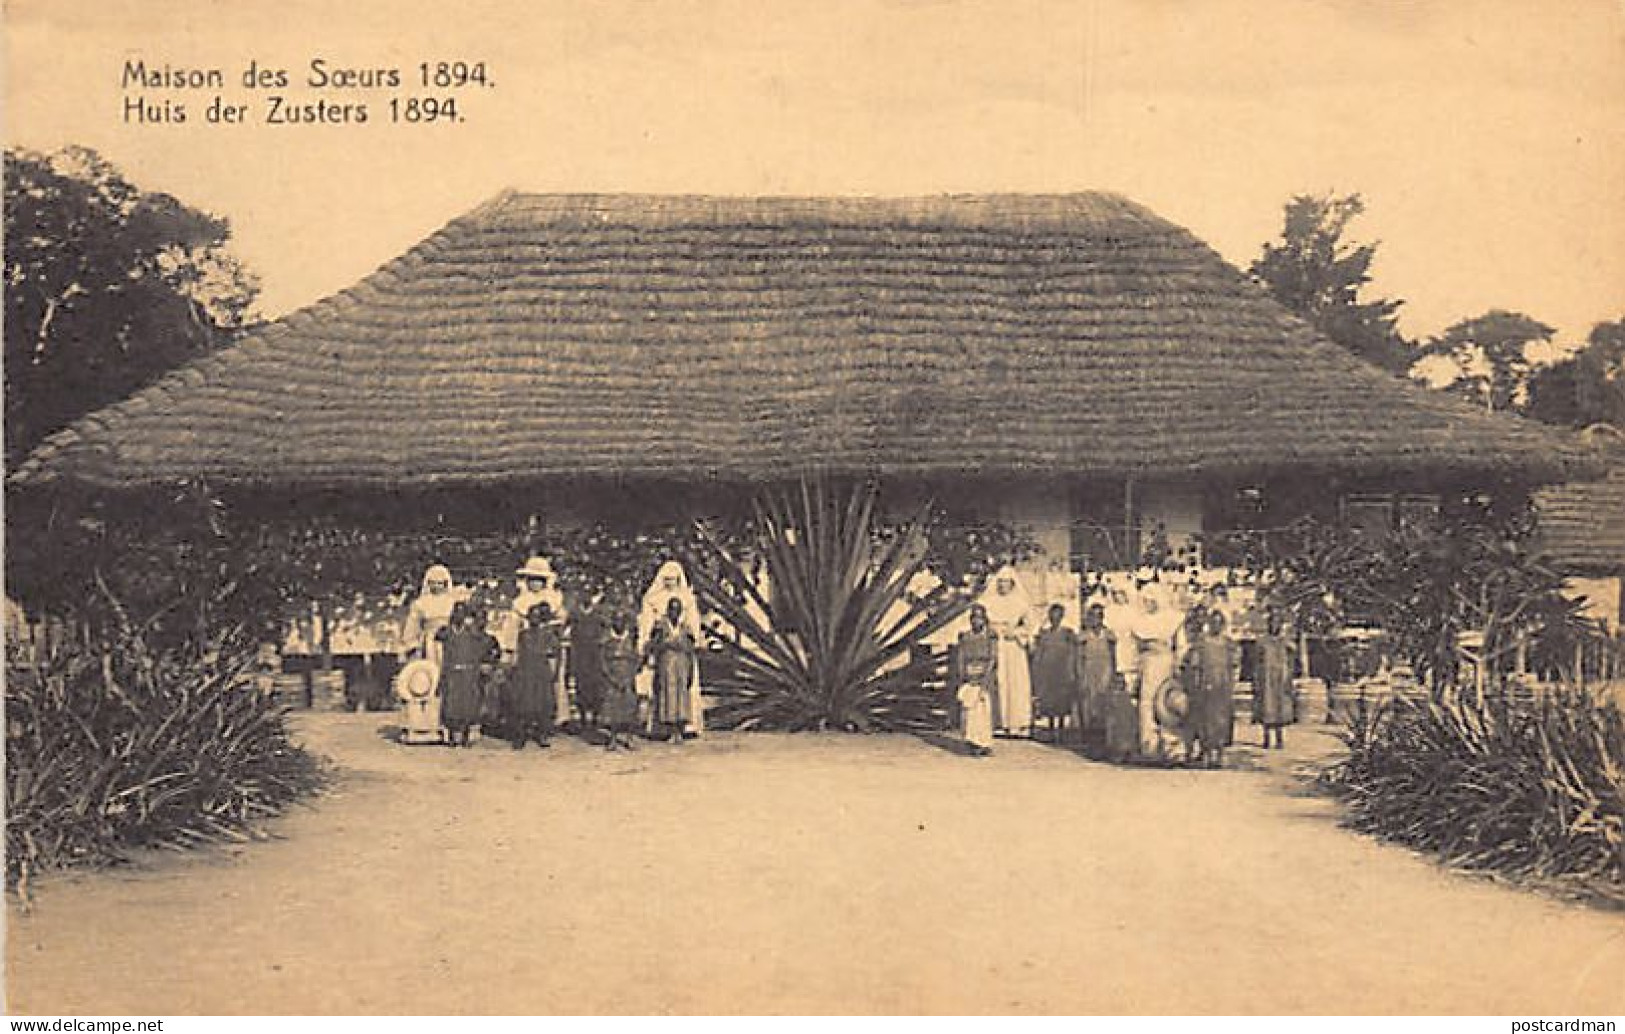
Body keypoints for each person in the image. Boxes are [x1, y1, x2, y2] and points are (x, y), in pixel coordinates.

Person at [638, 561, 705, 736]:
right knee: (661, 686)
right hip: (662, 648)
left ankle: (686, 725)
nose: (669, 583)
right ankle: (661, 726)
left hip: (682, 649)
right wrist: (647, 643)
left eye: (673, 580)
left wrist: (692, 641)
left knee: (683, 686)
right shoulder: (653, 598)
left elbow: (693, 625)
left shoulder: (687, 599)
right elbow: (647, 624)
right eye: (666, 579)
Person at [510, 556, 570, 727]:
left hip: (548, 645)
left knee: (551, 681)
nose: (535, 584)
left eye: (539, 580)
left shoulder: (554, 599)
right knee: (525, 684)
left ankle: (549, 719)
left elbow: (563, 620)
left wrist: (550, 626)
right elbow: (514, 626)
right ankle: (525, 720)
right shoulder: (520, 602)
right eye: (532, 580)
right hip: (527, 646)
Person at [1129, 581, 1186, 761]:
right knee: (1146, 704)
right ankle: (1150, 747)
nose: (1148, 604)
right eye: (1145, 601)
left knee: (1168, 705)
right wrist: (1133, 670)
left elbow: (1181, 646)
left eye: (1151, 601)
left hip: (1166, 664)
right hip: (1147, 666)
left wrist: (1178, 664)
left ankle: (1172, 748)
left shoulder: (1173, 620)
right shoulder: (1141, 622)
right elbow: (1134, 649)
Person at [979, 566, 1034, 737]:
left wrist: (1017, 633)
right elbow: (980, 623)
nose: (1003, 586)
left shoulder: (1021, 604)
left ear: (1012, 584)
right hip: (994, 645)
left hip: (1013, 648)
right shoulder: (989, 603)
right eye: (1000, 582)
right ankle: (996, 723)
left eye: (1006, 583)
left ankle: (1016, 724)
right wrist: (991, 631)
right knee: (996, 682)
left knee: (1015, 683)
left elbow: (1031, 627)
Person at [438, 601, 499, 748]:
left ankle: (465, 734)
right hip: (451, 671)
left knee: (468, 703)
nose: (459, 616)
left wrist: (486, 664)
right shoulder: (445, 632)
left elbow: (487, 648)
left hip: (469, 671)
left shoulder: (473, 634)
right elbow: (438, 649)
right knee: (450, 702)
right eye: (456, 612)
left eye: (462, 613)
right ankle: (452, 734)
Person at [504, 602, 561, 750]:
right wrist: (513, 668)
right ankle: (520, 736)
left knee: (543, 704)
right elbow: (517, 653)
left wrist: (552, 675)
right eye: (531, 617)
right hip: (525, 671)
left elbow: (553, 656)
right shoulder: (523, 635)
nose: (534, 619)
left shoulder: (548, 635)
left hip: (541, 672)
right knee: (523, 704)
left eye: (537, 617)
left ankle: (542, 735)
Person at [1186, 609, 1238, 768]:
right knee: (1205, 720)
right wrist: (1197, 684)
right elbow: (1194, 665)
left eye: (1219, 623)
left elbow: (1234, 665)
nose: (1216, 626)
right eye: (1213, 622)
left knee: (1222, 720)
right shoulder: (1201, 642)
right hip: (1205, 685)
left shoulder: (1229, 644)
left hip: (1223, 686)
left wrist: (1231, 684)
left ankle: (1220, 753)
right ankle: (1207, 754)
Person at [647, 596, 699, 742]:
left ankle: (680, 730)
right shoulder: (661, 626)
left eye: (677, 610)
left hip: (682, 664)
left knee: (682, 695)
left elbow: (690, 651)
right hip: (666, 664)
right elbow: (654, 646)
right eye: (672, 609)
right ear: (668, 611)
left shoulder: (685, 628)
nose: (674, 613)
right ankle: (669, 730)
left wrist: (691, 670)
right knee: (667, 695)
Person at [1029, 602, 1080, 742]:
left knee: (1062, 701)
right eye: (1052, 615)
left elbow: (1074, 650)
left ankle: (1061, 729)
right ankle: (1051, 730)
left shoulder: (1067, 633)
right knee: (1049, 701)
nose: (1054, 618)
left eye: (1057, 615)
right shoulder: (1044, 633)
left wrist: (1073, 669)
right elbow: (1038, 652)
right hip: (1048, 670)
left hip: (1063, 669)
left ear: (1062, 616)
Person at [952, 604, 998, 755]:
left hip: (984, 676)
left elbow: (992, 658)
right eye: (973, 618)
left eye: (979, 618)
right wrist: (964, 675)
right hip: (969, 675)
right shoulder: (965, 637)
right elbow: (961, 657)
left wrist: (985, 676)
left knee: (983, 710)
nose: (976, 621)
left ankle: (984, 742)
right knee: (970, 710)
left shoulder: (990, 636)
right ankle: (972, 742)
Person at [599, 607, 641, 752]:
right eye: (616, 620)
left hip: (628, 678)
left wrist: (631, 676)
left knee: (630, 708)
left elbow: (636, 659)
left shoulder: (631, 640)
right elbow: (602, 661)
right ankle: (612, 738)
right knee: (613, 710)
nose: (619, 624)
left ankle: (630, 738)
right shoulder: (607, 640)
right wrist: (611, 678)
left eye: (622, 620)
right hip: (613, 678)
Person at [399, 564, 459, 665]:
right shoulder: (420, 603)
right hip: (429, 641)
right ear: (428, 584)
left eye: (440, 583)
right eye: (433, 583)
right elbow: (412, 626)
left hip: (451, 640)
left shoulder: (452, 602)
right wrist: (412, 644)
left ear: (445, 584)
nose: (436, 586)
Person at [1253, 609, 1296, 749]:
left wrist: (1289, 676)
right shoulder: (1262, 641)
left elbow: (1291, 659)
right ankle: (1266, 738)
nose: (1274, 626)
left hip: (1280, 678)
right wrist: (1256, 679)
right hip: (1266, 679)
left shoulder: (1284, 642)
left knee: (1280, 708)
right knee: (1266, 707)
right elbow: (1257, 661)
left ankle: (1279, 738)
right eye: (1272, 623)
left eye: (1277, 623)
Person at [1076, 602, 1117, 736]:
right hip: (1089, 667)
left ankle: (1103, 731)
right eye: (1092, 616)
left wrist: (1114, 672)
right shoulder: (1084, 636)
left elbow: (1113, 654)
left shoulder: (1108, 634)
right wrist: (1080, 674)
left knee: (1103, 698)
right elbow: (1079, 656)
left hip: (1105, 667)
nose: (1095, 620)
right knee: (1088, 699)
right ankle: (1088, 732)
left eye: (1098, 616)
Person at [569, 596, 608, 730]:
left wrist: (600, 642)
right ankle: (583, 719)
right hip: (580, 655)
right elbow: (569, 631)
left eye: (589, 593)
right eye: (583, 593)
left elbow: (606, 629)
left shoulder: (598, 613)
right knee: (581, 687)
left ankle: (596, 719)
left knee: (596, 687)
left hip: (595, 656)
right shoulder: (575, 613)